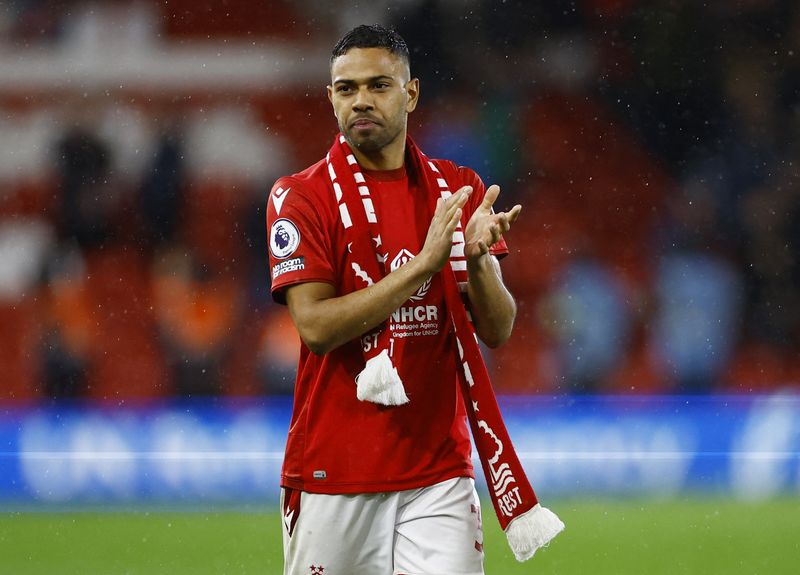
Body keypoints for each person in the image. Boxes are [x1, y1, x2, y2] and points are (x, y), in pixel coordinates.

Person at [266, 24, 560, 575]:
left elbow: (496, 329)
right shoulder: (300, 196)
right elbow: (316, 328)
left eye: (378, 85)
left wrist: (476, 264)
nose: (361, 101)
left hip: (437, 475)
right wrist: (423, 268)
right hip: (335, 471)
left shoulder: (456, 188)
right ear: (330, 98)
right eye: (346, 88)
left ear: (411, 93)